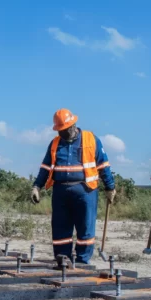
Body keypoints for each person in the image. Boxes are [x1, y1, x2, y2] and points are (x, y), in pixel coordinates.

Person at [31, 108, 116, 264]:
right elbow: (45, 167)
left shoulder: (91, 140)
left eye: (63, 130)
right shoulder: (55, 143)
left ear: (72, 125)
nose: (61, 133)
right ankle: (63, 258)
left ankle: (83, 260)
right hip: (60, 191)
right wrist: (37, 186)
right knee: (60, 227)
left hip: (85, 191)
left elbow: (103, 165)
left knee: (85, 226)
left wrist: (110, 187)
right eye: (59, 130)